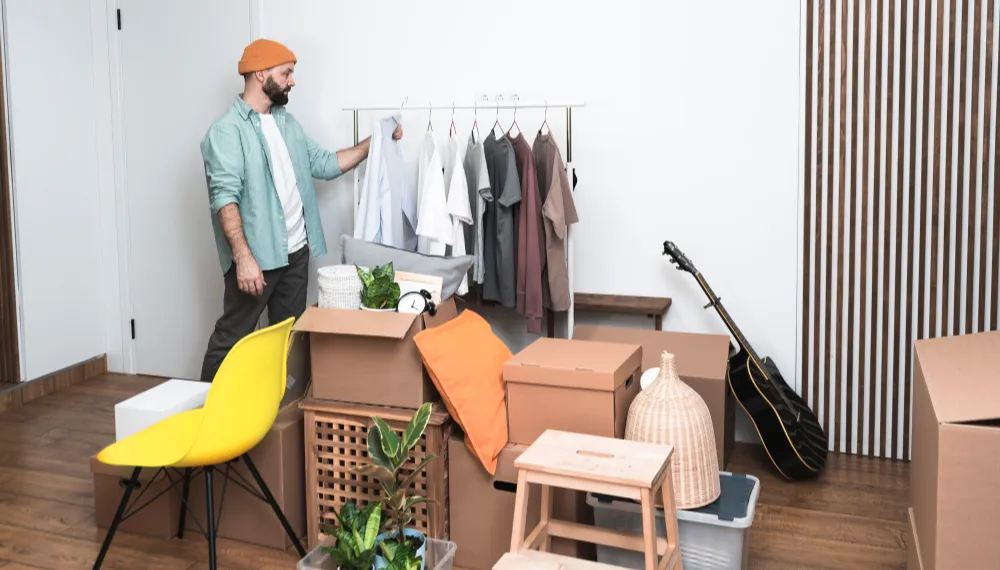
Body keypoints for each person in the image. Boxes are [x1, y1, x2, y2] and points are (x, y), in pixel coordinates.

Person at [197, 38, 402, 383]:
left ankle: (275, 417)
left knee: (286, 340)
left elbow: (323, 164)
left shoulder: (286, 123)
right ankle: (201, 415)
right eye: (286, 73)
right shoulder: (225, 132)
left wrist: (375, 142)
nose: (292, 81)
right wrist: (243, 257)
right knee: (232, 338)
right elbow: (224, 198)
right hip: (256, 257)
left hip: (295, 253)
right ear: (261, 74)